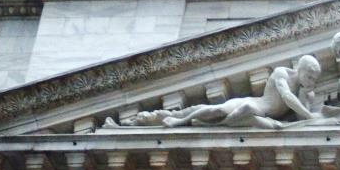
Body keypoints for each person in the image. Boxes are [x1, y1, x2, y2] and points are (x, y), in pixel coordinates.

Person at [115, 55, 323, 129]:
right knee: (217, 109)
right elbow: (286, 98)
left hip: (262, 118)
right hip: (255, 105)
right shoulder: (282, 73)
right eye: (311, 76)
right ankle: (180, 121)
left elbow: (299, 118)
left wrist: (307, 96)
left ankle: (207, 124)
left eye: (315, 79)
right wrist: (311, 116)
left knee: (263, 122)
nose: (312, 81)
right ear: (302, 69)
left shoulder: (305, 90)